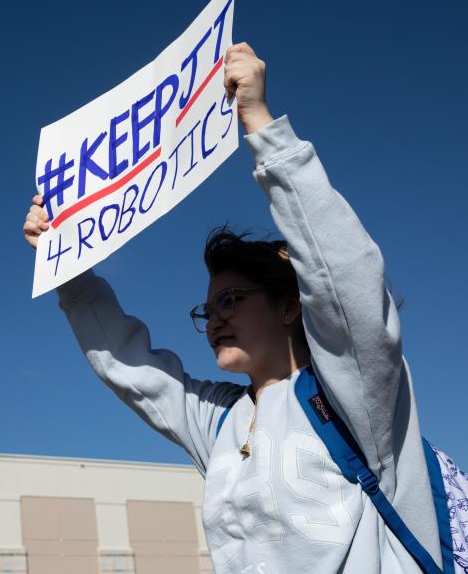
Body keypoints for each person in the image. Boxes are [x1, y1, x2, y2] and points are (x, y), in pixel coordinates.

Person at [22, 43, 444, 573]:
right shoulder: (221, 422)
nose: (214, 319)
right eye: (207, 310)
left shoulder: (355, 390)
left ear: (290, 306)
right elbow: (130, 366)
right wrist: (69, 265)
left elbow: (347, 283)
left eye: (231, 300)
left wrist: (262, 127)